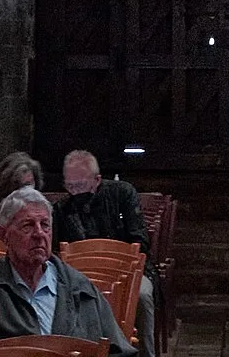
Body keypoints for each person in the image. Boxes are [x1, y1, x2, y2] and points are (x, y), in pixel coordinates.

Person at [0, 186, 134, 350]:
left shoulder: (80, 287)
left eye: (45, 225)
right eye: (28, 226)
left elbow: (119, 350)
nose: (39, 234)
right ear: (3, 235)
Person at [56, 151, 155, 357]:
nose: (75, 192)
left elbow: (140, 240)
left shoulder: (122, 194)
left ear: (97, 180)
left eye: (81, 185)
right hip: (80, 277)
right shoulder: (62, 209)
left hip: (126, 271)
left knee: (143, 296)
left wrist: (116, 260)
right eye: (70, 186)